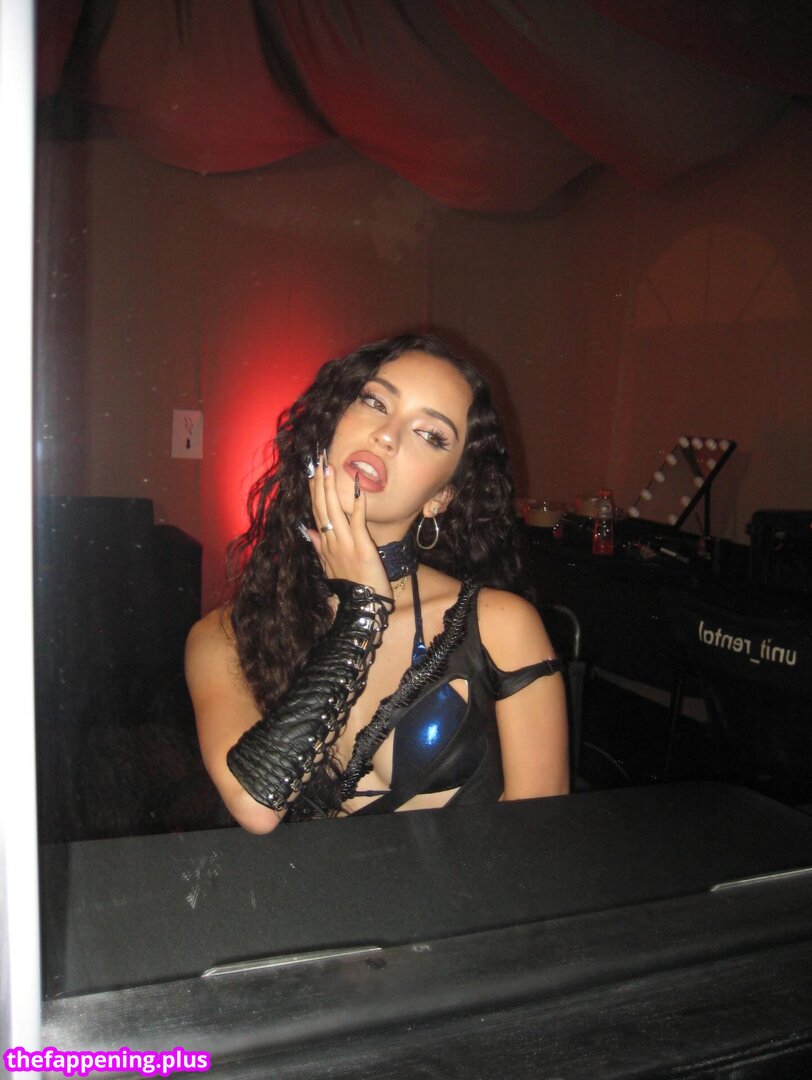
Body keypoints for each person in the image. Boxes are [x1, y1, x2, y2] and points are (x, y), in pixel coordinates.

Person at [186, 333, 568, 834]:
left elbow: (540, 844)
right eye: (374, 402)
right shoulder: (223, 636)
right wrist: (361, 613)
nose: (387, 435)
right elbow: (256, 807)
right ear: (331, 424)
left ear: (441, 497)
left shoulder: (500, 625)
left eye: (430, 434)